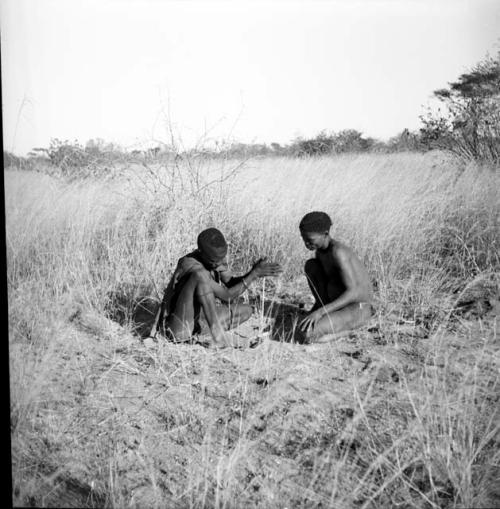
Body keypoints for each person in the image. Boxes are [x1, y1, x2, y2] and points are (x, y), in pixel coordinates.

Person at [154, 228, 282, 347]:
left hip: (201, 320)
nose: (220, 263)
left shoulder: (214, 259)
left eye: (222, 258)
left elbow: (231, 284)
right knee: (201, 275)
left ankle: (204, 334)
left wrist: (253, 271)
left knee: (246, 310)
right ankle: (217, 335)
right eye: (215, 261)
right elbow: (227, 297)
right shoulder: (190, 264)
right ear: (201, 253)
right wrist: (254, 275)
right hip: (179, 327)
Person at [298, 211, 374, 342]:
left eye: (310, 240)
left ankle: (349, 331)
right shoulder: (321, 252)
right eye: (304, 239)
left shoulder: (338, 253)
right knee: (311, 265)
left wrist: (321, 312)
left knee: (308, 335)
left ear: (325, 234)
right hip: (337, 305)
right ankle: (323, 309)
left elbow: (354, 293)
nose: (307, 244)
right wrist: (320, 307)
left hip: (358, 307)